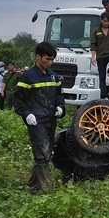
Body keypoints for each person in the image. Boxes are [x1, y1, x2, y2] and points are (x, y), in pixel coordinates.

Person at [12, 42, 66, 192]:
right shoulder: (28, 77)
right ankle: (44, 189)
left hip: (50, 119)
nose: (50, 62)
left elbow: (59, 96)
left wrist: (60, 107)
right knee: (42, 154)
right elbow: (17, 99)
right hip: (36, 121)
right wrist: (26, 113)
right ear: (38, 57)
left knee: (48, 153)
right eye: (47, 59)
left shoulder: (54, 76)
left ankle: (34, 185)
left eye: (52, 59)